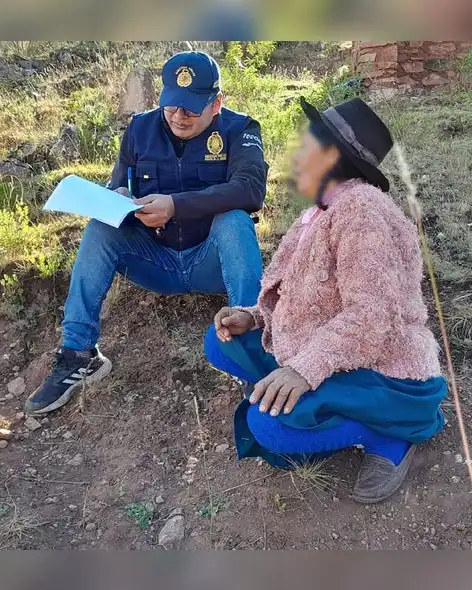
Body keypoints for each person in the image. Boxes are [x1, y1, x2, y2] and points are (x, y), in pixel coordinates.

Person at [205, 97, 448, 504]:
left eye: (307, 146)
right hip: (327, 345)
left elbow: (373, 317)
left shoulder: (362, 212)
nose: (298, 153)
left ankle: (388, 435)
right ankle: (305, 400)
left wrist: (304, 370)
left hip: (382, 366)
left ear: (331, 159)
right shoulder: (323, 209)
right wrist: (256, 316)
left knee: (269, 427)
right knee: (219, 342)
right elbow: (305, 295)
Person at [25, 50, 269, 415]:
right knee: (101, 229)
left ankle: (251, 356)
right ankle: (79, 354)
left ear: (216, 103)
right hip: (156, 259)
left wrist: (175, 205)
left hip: (212, 261)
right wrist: (121, 200)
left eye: (191, 108)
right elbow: (119, 182)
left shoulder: (241, 130)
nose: (179, 116)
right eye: (172, 105)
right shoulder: (140, 129)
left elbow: (250, 190)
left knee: (234, 220)